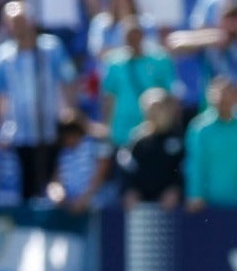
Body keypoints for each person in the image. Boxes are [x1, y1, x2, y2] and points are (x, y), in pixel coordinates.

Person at [0, 0, 77, 199]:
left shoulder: (52, 48)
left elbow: (68, 80)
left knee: (53, 180)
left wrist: (69, 113)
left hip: (50, 127)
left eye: (22, 20)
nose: (19, 26)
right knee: (24, 186)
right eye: (13, 22)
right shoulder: (1, 57)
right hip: (19, 131)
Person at [100, 18, 180, 147]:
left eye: (135, 35)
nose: (132, 40)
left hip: (155, 128)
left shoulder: (160, 59)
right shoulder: (114, 63)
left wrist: (172, 124)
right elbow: (109, 97)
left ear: (143, 35)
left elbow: (169, 94)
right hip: (123, 128)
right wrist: (108, 126)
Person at [117, 87, 185, 208]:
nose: (154, 113)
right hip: (142, 207)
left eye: (159, 108)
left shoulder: (180, 138)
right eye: (150, 109)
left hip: (171, 208)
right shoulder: (136, 140)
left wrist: (176, 189)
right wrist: (129, 190)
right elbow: (127, 168)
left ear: (169, 110)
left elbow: (184, 169)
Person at [184, 76, 237, 209]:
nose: (223, 98)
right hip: (209, 203)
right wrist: (195, 195)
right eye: (219, 94)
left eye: (228, 93)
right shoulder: (200, 128)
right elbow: (195, 164)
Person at [47, 109, 115, 212]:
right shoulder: (64, 153)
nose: (67, 138)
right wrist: (56, 192)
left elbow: (101, 172)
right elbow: (56, 180)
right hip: (70, 207)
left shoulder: (96, 144)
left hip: (96, 207)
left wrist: (84, 199)